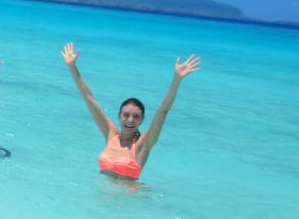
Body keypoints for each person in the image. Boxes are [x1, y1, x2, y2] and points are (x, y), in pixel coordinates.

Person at [61, 42, 200, 180]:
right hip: (102, 200)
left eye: (136, 116)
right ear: (119, 116)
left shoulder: (143, 144)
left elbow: (162, 113)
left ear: (142, 120)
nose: (130, 120)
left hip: (130, 200)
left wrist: (177, 80)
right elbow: (89, 98)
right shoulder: (110, 135)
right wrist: (72, 67)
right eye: (126, 115)